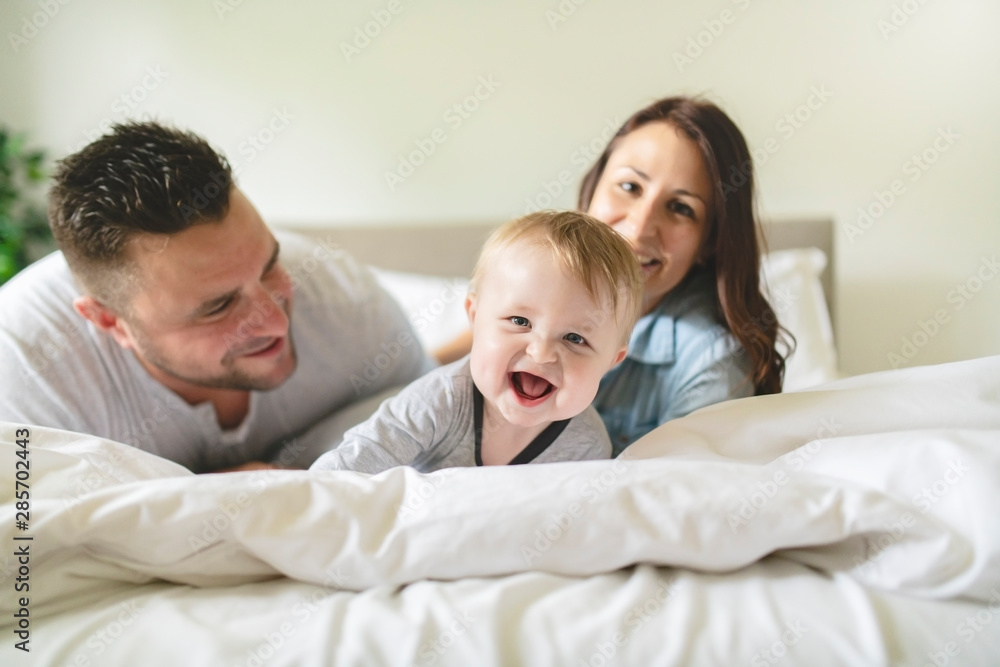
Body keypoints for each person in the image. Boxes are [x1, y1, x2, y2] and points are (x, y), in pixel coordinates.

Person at [0, 121, 432, 473]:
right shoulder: (25, 376)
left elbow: (443, 411)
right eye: (219, 306)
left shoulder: (348, 305)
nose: (276, 321)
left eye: (269, 268)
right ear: (110, 321)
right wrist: (202, 496)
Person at [435, 96, 789, 455]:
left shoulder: (711, 363)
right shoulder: (539, 284)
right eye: (630, 187)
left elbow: (672, 491)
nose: (639, 226)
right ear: (591, 192)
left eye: (681, 208)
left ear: (709, 242)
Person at [310, 210, 642, 474]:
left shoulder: (587, 446)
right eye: (520, 321)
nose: (540, 353)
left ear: (612, 361)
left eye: (574, 338)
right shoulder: (439, 402)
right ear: (474, 315)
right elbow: (345, 471)